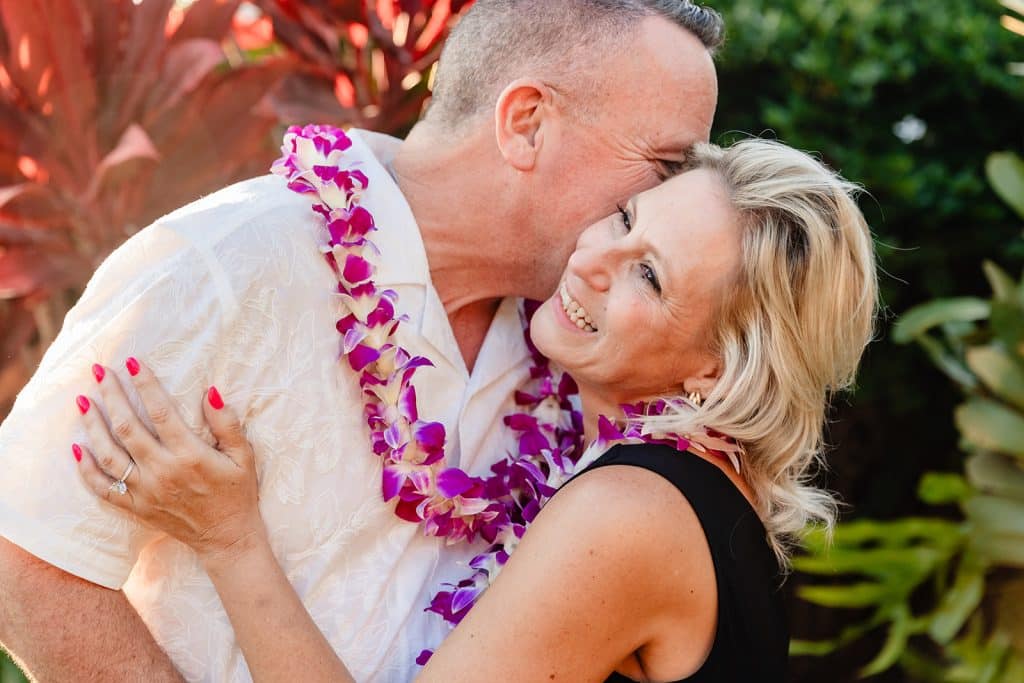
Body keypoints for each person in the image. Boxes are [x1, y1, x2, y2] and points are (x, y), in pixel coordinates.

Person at [0, 2, 722, 681]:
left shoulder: (576, 350)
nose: (677, 203)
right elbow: (26, 551)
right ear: (528, 123)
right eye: (667, 167)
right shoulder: (225, 262)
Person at [73, 138, 878, 681]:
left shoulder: (631, 512)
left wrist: (232, 539)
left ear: (715, 367)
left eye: (651, 277)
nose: (596, 259)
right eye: (628, 218)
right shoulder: (690, 492)